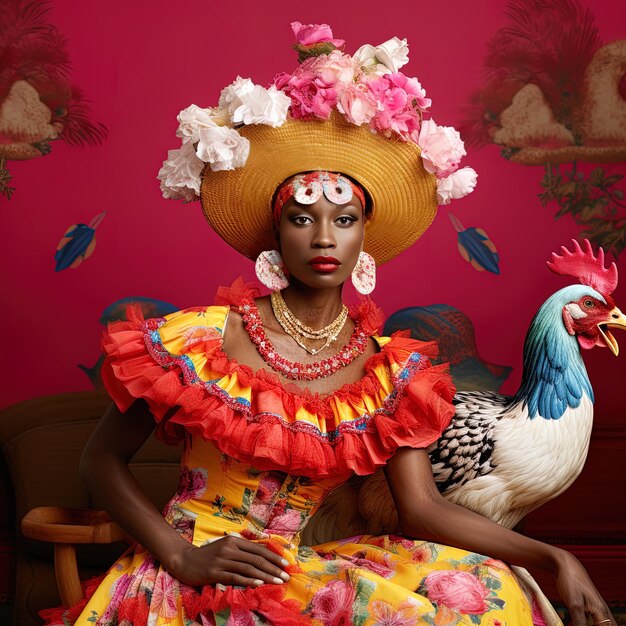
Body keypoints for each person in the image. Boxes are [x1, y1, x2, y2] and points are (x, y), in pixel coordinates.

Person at [43, 23, 616, 626]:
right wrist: (181, 555)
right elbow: (98, 463)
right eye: (301, 217)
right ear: (275, 233)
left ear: (363, 237)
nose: (322, 237)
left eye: (343, 219)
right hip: (195, 569)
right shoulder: (202, 340)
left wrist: (555, 559)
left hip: (299, 566)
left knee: (486, 595)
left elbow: (423, 511)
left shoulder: (389, 370)